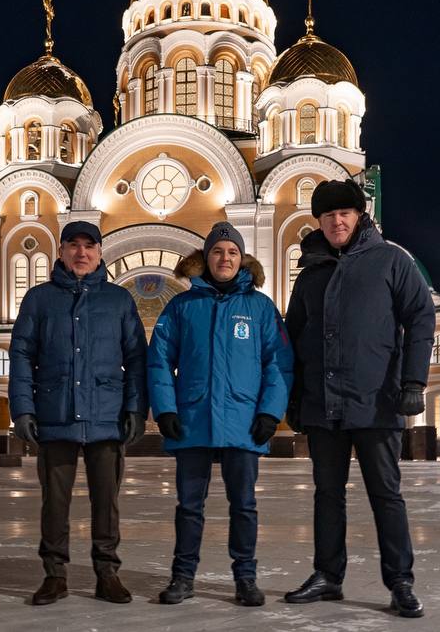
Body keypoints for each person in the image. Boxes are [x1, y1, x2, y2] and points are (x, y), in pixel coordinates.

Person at [282, 180, 434, 618]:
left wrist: (413, 383)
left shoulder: (391, 260)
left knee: (386, 493)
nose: (336, 221)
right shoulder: (311, 274)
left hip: (377, 402)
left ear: (359, 215)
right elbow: (294, 336)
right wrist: (295, 398)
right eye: (328, 215)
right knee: (327, 494)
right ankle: (328, 576)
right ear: (320, 222)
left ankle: (400, 581)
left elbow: (420, 317)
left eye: (344, 213)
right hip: (323, 405)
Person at [147, 222, 294, 607]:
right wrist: (164, 408)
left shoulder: (260, 308)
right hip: (193, 420)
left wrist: (269, 412)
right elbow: (159, 360)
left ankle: (245, 578)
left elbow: (278, 364)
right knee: (189, 506)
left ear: (241, 259)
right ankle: (183, 577)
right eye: (217, 251)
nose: (224, 258)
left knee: (243, 505)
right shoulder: (182, 306)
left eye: (231, 252)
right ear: (205, 258)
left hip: (244, 422)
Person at [8, 220, 148, 606]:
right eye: (73, 245)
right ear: (61, 252)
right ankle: (54, 575)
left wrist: (136, 407)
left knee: (107, 502)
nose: (81, 253)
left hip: (107, 418)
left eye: (89, 246)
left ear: (101, 252)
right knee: (55, 502)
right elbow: (21, 354)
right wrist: (22, 408)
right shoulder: (39, 300)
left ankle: (108, 574)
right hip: (55, 417)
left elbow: (137, 357)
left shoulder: (118, 301)